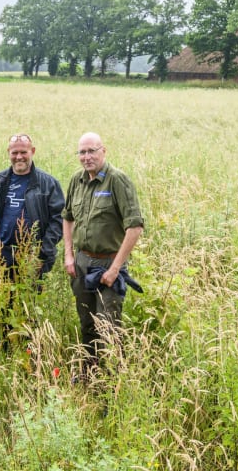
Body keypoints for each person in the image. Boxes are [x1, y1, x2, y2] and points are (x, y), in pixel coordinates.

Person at [62, 132, 144, 380]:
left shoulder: (117, 181)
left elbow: (135, 227)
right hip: (82, 262)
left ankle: (114, 382)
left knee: (108, 326)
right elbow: (67, 218)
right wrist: (68, 255)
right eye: (82, 152)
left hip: (108, 264)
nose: (87, 157)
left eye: (92, 151)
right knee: (86, 322)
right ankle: (90, 372)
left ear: (103, 151)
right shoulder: (77, 180)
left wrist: (115, 268)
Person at [0, 133, 64, 280]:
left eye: (24, 152)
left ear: (32, 151)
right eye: (14, 152)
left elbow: (58, 220)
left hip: (33, 257)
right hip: (1, 255)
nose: (19, 157)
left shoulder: (48, 184)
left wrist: (41, 255)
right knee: (2, 301)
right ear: (8, 152)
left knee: (31, 301)